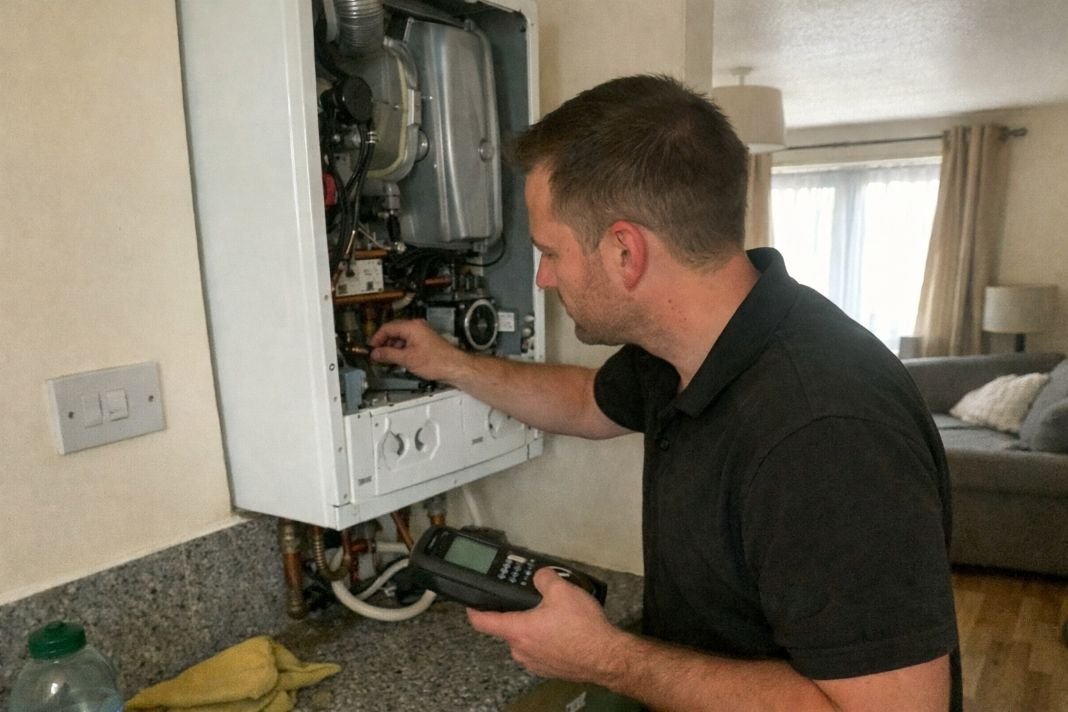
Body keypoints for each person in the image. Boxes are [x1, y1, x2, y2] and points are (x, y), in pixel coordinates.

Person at [370, 74, 962, 711]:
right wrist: (450, 363)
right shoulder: (692, 346)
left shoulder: (825, 434)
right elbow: (584, 402)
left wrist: (606, 658)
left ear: (626, 251)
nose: (542, 277)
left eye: (550, 251)